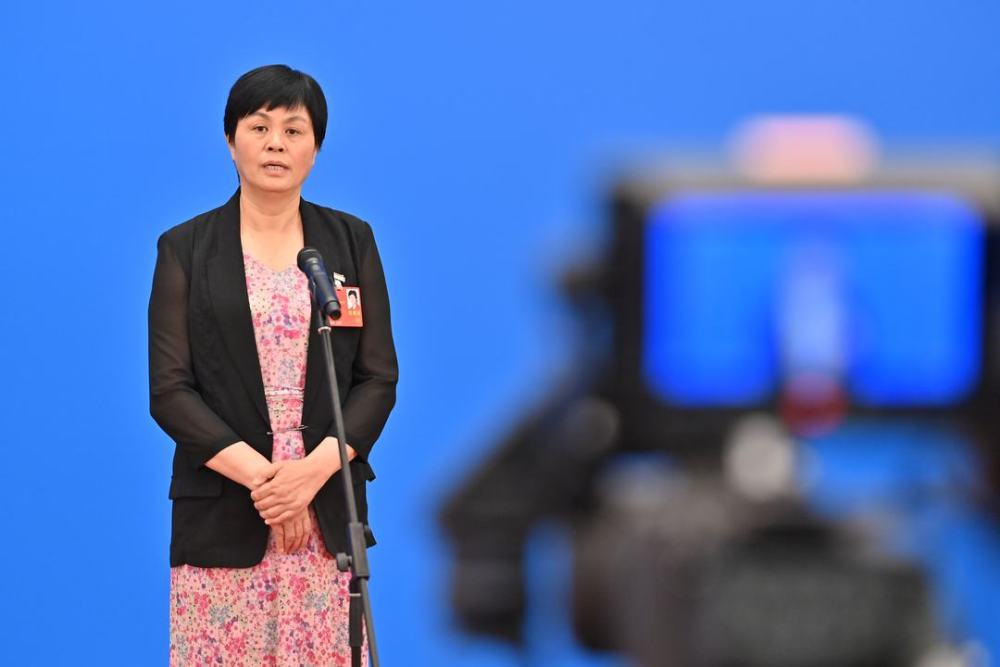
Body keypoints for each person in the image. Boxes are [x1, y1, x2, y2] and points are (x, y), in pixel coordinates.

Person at [148, 64, 398, 665]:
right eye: (259, 127)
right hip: (226, 503)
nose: (275, 144)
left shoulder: (350, 241)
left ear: (316, 146)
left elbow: (377, 379)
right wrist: (269, 483)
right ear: (230, 140)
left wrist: (308, 477)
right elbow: (170, 390)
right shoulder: (185, 248)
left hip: (325, 505)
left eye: (293, 130)